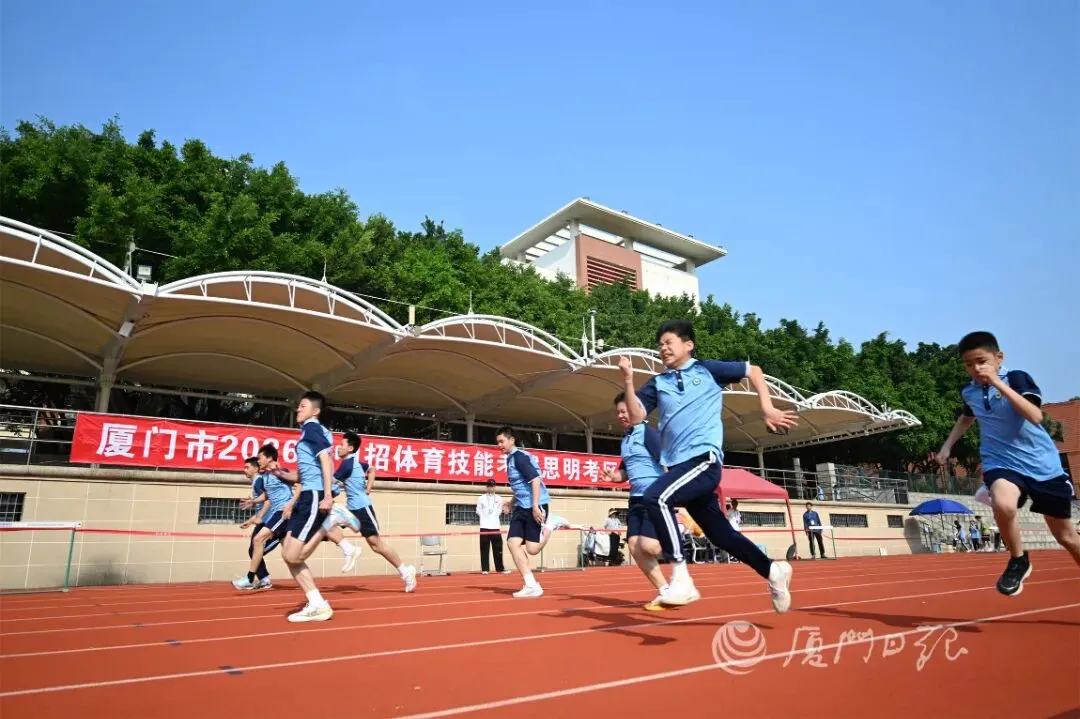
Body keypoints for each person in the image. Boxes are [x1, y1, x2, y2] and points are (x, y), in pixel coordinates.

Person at [620, 319, 799, 611]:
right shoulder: (658, 383)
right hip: (680, 467)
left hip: (704, 459)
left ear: (688, 345)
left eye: (669, 343)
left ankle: (681, 578)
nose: (663, 348)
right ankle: (773, 571)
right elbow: (637, 415)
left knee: (656, 496)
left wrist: (766, 407)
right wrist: (628, 380)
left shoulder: (708, 370)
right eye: (660, 345)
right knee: (720, 534)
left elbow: (753, 370)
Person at [936, 331, 1080, 595]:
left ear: (998, 358)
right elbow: (967, 418)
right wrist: (947, 446)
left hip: (1042, 465)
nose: (976, 369)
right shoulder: (970, 392)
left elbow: (1035, 416)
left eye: (981, 361)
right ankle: (1018, 559)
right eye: (968, 364)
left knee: (1066, 537)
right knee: (1003, 503)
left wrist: (998, 384)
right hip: (1000, 461)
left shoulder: (1016, 378)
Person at [304, 432, 417, 591]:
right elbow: (371, 469)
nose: (339, 447)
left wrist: (366, 489)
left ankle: (406, 571)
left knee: (376, 545)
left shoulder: (347, 465)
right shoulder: (354, 462)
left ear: (350, 448)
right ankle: (348, 548)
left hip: (362, 509)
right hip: (352, 509)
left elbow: (331, 485)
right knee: (324, 522)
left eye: (342, 445)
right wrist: (368, 486)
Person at [601, 392, 679, 609]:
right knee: (635, 547)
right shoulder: (625, 441)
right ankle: (666, 591)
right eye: (618, 412)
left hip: (655, 497)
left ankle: (678, 530)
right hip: (635, 500)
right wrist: (613, 477)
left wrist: (670, 494)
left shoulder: (648, 433)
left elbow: (667, 463)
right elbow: (623, 474)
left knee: (651, 547)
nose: (621, 415)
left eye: (624, 411)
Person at [265, 391, 336, 622]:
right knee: (289, 555)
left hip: (314, 496)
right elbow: (302, 475)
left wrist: (327, 495)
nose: (298, 409)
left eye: (303, 406)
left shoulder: (313, 428)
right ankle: (316, 603)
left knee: (292, 554)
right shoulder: (307, 432)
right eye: (298, 406)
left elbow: (326, 460)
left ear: (315, 411)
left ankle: (330, 525)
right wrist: (279, 473)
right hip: (307, 494)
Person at [495, 426, 555, 598]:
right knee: (512, 543)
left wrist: (536, 506)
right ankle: (531, 585)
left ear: (511, 440)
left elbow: (535, 480)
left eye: (502, 441)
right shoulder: (510, 459)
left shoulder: (519, 457)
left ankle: (550, 526)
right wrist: (511, 503)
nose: (500, 445)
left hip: (535, 506)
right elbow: (521, 486)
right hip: (521, 507)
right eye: (498, 442)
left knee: (532, 549)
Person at [233, 450, 295, 590]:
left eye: (260, 458)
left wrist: (291, 505)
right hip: (275, 515)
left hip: (282, 513)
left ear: (269, 458)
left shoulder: (281, 472)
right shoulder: (266, 476)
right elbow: (267, 496)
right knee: (292, 555)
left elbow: (300, 481)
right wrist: (253, 502)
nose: (258, 461)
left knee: (257, 541)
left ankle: (250, 578)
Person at [476, 479, 508, 575]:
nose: (491, 487)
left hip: (495, 526)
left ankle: (500, 568)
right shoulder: (481, 498)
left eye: (493, 485)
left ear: (495, 487)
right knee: (484, 548)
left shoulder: (499, 498)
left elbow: (501, 510)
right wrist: (484, 517)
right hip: (484, 526)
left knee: (498, 548)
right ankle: (485, 569)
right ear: (487, 487)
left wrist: (495, 515)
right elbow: (478, 510)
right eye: (489, 485)